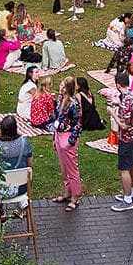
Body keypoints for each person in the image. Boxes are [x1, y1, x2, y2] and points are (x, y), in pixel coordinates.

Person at [110, 70, 133, 211]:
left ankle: (127, 199)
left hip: (127, 138)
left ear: (118, 85)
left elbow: (123, 125)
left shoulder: (126, 102)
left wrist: (112, 112)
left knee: (124, 169)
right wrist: (119, 104)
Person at [51, 77, 83, 211]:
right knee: (64, 168)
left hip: (68, 137)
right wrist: (55, 137)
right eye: (61, 85)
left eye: (64, 86)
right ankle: (67, 193)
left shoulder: (74, 104)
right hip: (59, 135)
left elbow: (79, 124)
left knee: (72, 169)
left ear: (69, 88)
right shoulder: (60, 100)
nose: (61, 88)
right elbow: (57, 118)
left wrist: (71, 141)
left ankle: (75, 196)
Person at [0, 115, 32, 195]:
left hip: (0, 189)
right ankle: (22, 201)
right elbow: (30, 165)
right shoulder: (24, 142)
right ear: (15, 128)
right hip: (21, 188)